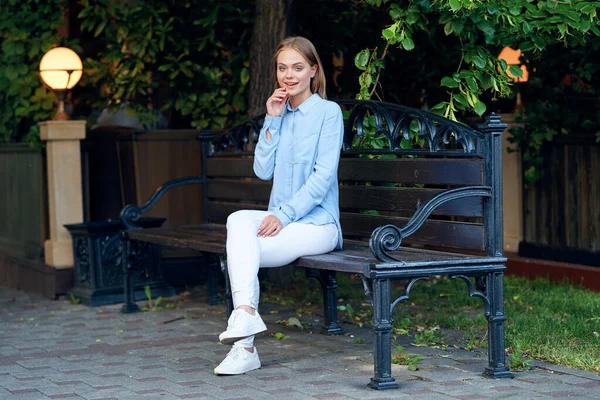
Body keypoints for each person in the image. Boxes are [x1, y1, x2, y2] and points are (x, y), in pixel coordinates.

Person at [213, 36, 344, 375]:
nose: (289, 75)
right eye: (283, 68)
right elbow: (262, 170)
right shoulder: (279, 113)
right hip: (282, 223)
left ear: (313, 71)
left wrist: (283, 215)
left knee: (241, 249)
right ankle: (246, 316)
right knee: (238, 220)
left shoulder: (329, 114)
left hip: (318, 225)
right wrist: (271, 120)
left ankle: (245, 349)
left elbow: (323, 177)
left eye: (298, 68)